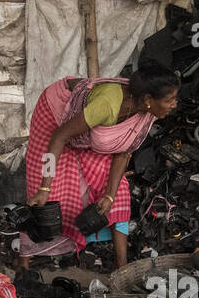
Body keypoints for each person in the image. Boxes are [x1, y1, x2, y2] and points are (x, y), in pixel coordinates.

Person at [22, 60, 180, 269]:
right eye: (170, 100)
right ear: (148, 99)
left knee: (120, 192)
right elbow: (59, 137)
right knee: (46, 195)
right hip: (57, 114)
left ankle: (121, 267)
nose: (174, 105)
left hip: (90, 129)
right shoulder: (107, 105)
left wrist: (109, 195)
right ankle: (23, 264)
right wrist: (44, 187)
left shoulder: (144, 112)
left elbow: (123, 153)